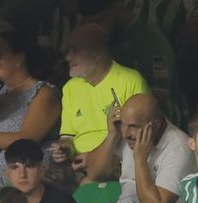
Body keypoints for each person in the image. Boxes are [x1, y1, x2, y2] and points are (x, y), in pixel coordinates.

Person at [80, 93, 192, 203]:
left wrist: (139, 159)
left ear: (156, 124)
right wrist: (111, 135)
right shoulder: (125, 134)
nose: (126, 133)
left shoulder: (179, 146)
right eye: (123, 124)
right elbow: (95, 173)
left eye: (133, 126)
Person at [59, 23, 148, 156]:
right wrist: (64, 150)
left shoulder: (130, 80)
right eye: (68, 51)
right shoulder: (70, 87)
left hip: (117, 160)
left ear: (97, 52)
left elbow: (141, 134)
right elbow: (67, 137)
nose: (68, 57)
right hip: (76, 163)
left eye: (75, 51)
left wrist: (93, 159)